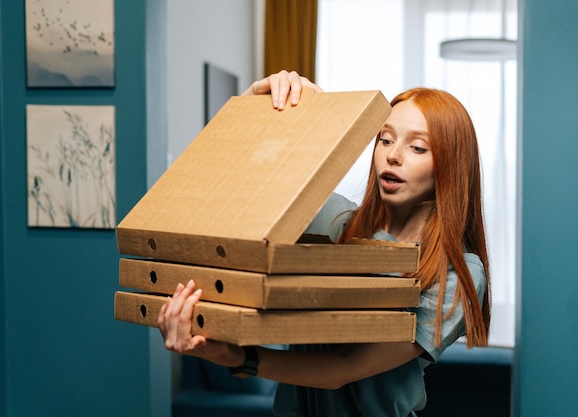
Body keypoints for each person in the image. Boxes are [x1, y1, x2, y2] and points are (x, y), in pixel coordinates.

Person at [158, 70, 491, 417]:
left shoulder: (459, 273)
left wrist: (240, 358)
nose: (393, 155)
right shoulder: (335, 221)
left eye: (418, 147)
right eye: (385, 139)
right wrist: (250, 104)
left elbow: (342, 368)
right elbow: (234, 181)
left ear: (451, 165)